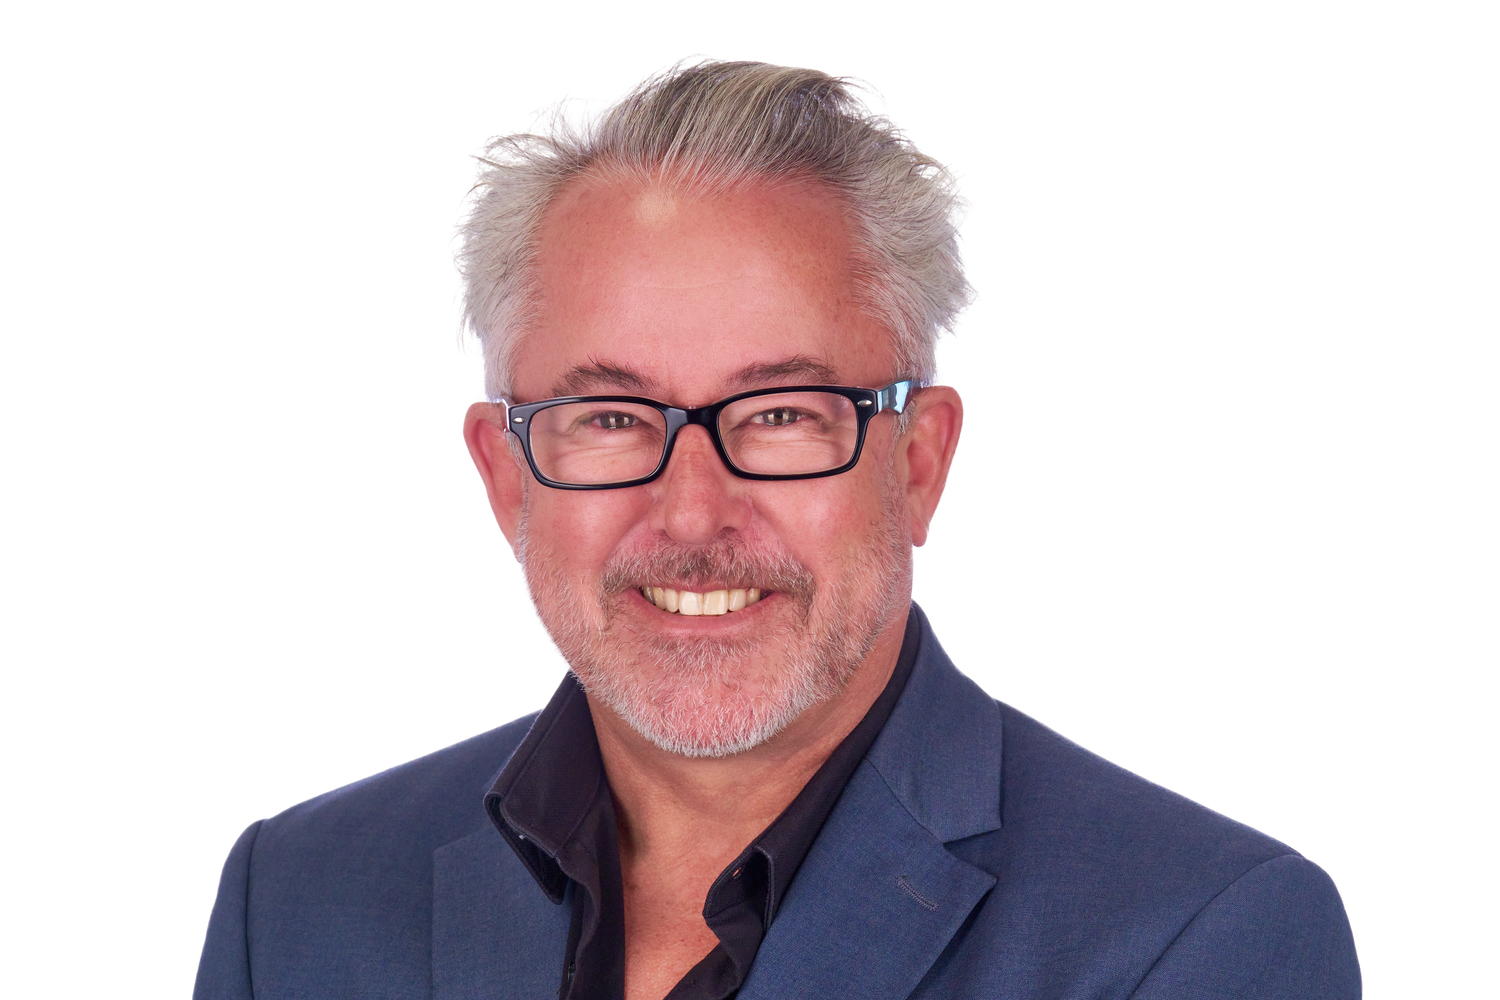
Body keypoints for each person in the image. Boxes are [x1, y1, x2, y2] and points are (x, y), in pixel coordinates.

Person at [194, 61, 1361, 1000]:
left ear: (918, 463)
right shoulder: (292, 904)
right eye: (612, 418)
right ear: (507, 478)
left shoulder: (1197, 939)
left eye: (782, 415)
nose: (693, 512)